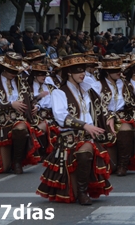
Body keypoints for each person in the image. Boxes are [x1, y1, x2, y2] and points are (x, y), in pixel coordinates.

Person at [36, 54, 112, 205]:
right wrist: (84, 125)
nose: (82, 74)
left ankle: (83, 191)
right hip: (69, 139)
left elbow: (100, 108)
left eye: (83, 71)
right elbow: (61, 117)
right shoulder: (59, 92)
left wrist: (109, 117)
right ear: (69, 72)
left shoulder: (87, 91)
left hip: (87, 137)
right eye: (78, 71)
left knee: (86, 152)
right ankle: (81, 191)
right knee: (82, 155)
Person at [0, 52, 39, 174]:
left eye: (16, 71)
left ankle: (17, 161)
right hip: (1, 124)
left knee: (21, 129)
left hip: (19, 120)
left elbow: (30, 98)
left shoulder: (22, 81)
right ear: (4, 68)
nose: (14, 74)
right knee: (4, 168)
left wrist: (34, 106)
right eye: (11, 71)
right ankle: (10, 158)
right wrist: (10, 104)